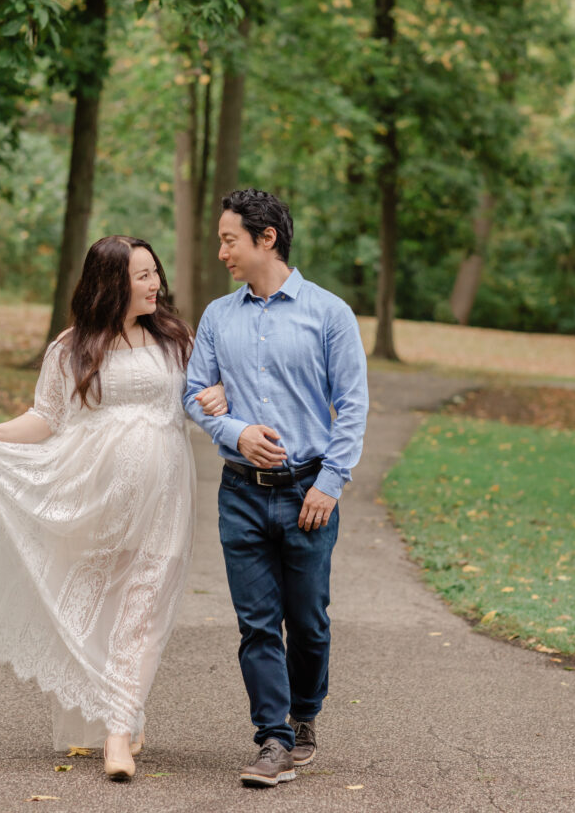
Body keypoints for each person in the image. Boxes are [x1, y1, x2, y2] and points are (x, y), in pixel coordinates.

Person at [0, 235, 223, 781]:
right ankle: (115, 708)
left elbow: (201, 400)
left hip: (164, 501)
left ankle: (118, 733)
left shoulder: (177, 340)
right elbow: (46, 417)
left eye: (155, 271)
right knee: (90, 608)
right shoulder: (73, 347)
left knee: (142, 611)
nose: (155, 282)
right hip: (94, 501)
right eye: (141, 275)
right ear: (111, 283)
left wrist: (220, 396)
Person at [184, 188, 368, 788]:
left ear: (266, 239)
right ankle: (273, 738)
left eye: (229, 239)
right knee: (258, 624)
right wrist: (235, 431)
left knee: (308, 621)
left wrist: (330, 484)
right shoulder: (217, 316)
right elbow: (194, 393)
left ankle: (304, 716)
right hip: (239, 492)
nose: (221, 252)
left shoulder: (329, 314)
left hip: (307, 494)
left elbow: (353, 406)